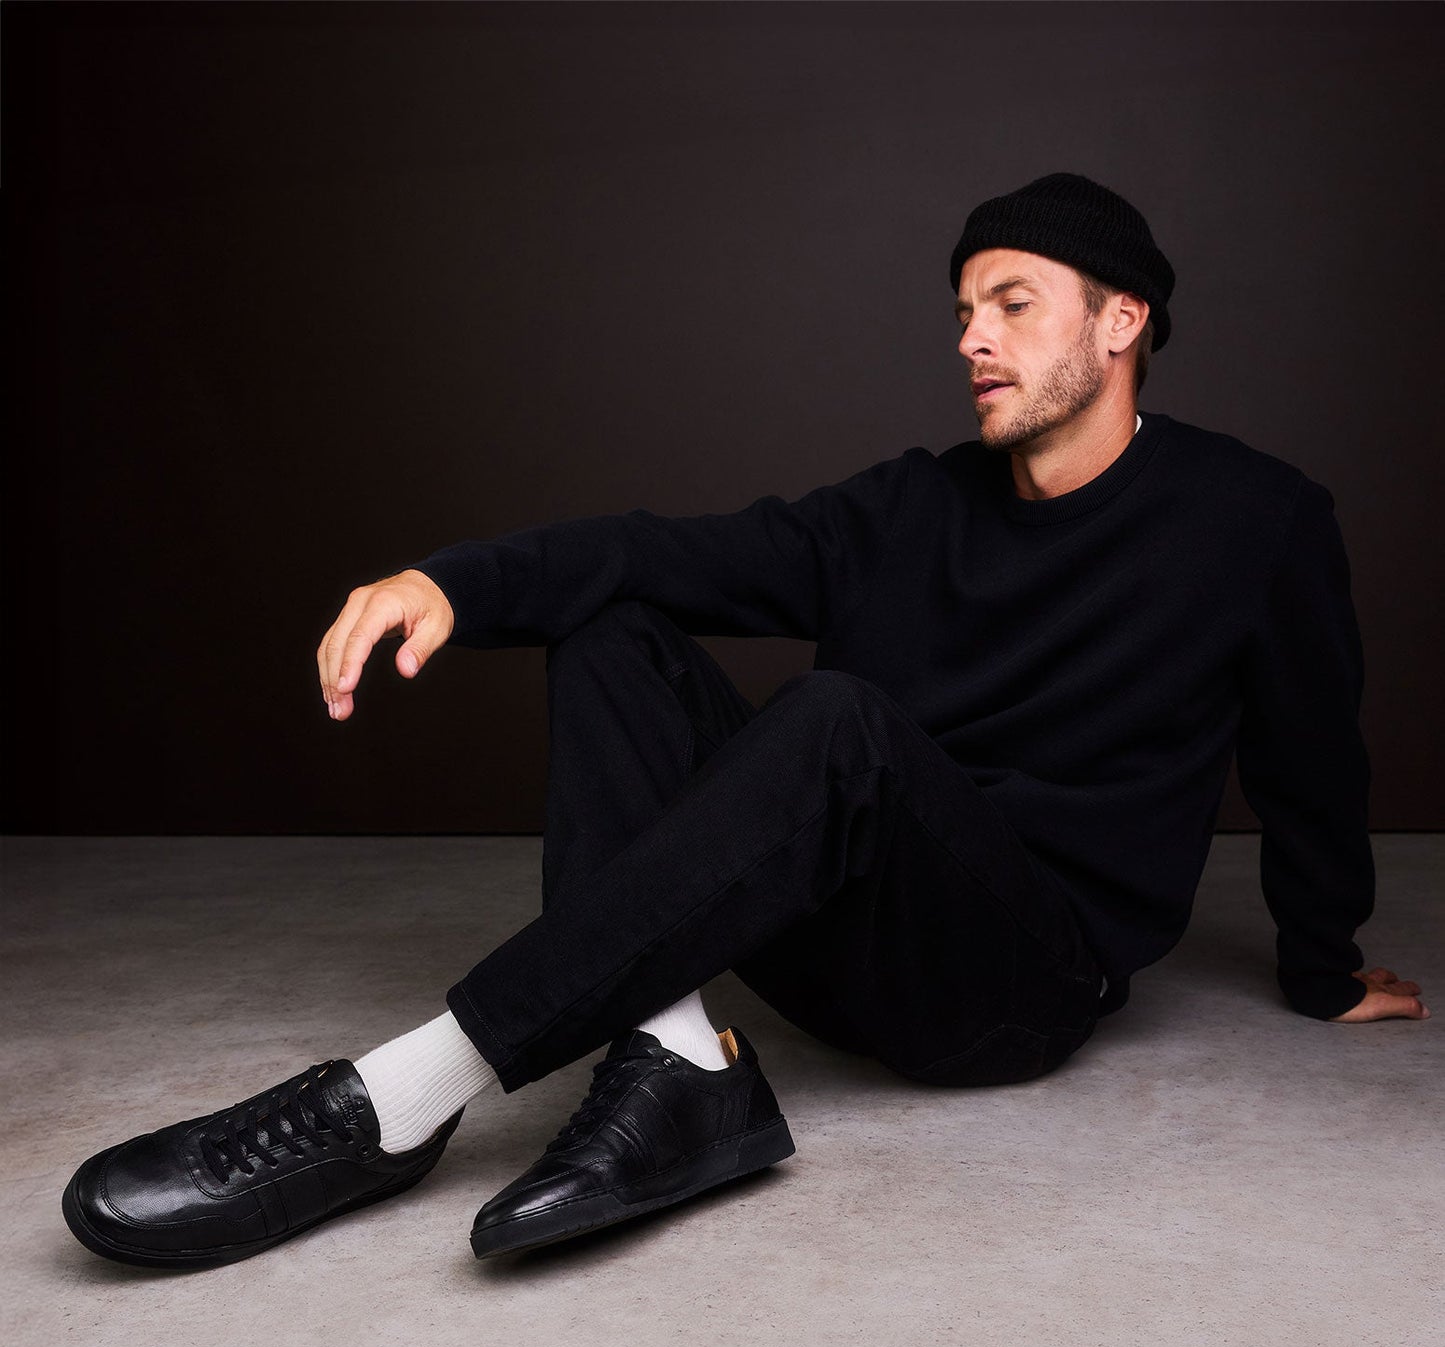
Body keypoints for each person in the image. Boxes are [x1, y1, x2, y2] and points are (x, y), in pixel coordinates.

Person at [60, 172, 1428, 1272]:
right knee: (609, 625)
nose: (971, 339)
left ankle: (397, 1099)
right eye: (963, 310)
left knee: (839, 719)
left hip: (1013, 988)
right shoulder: (911, 504)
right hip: (830, 945)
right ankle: (676, 1064)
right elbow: (660, 550)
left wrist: (1322, 963)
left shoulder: (1253, 520)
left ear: (1120, 322)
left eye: (1012, 305)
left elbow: (1308, 754)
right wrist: (449, 583)